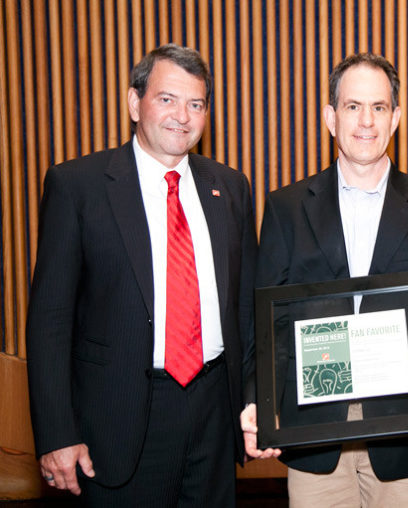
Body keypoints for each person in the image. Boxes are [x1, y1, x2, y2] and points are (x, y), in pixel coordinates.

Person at [240, 52, 408, 508]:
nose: (366, 121)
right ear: (330, 117)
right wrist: (259, 399)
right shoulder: (286, 209)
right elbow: (265, 321)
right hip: (314, 436)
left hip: (405, 430)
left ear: (396, 118)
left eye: (379, 107)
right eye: (352, 106)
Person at [26, 44, 256, 507]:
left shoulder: (229, 188)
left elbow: (246, 311)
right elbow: (49, 322)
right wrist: (56, 435)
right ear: (135, 103)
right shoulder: (78, 187)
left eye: (196, 104)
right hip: (119, 421)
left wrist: (252, 403)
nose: (183, 116)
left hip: (214, 413)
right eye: (167, 99)